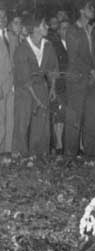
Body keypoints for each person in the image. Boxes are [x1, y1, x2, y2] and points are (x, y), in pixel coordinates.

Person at [12, 16, 58, 156]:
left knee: (42, 123)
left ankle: (39, 154)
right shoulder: (22, 48)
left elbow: (53, 69)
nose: (47, 27)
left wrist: (52, 88)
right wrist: (37, 100)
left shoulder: (48, 45)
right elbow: (25, 79)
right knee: (23, 122)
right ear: (36, 28)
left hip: (41, 87)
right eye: (44, 25)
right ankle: (21, 155)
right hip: (25, 90)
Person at [64, 0, 95, 157]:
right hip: (77, 81)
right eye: (89, 7)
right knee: (74, 120)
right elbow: (74, 57)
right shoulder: (72, 31)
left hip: (93, 82)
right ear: (81, 11)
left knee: (93, 119)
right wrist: (91, 71)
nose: (93, 10)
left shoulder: (92, 31)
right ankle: (70, 155)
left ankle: (93, 155)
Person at [47, 18, 69, 154]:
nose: (66, 31)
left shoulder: (74, 44)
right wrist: (52, 86)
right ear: (59, 31)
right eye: (64, 28)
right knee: (58, 115)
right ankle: (59, 144)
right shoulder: (54, 45)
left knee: (68, 114)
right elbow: (52, 67)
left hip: (72, 85)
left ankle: (67, 144)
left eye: (68, 28)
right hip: (59, 83)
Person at [0, 7, 18, 155]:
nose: (3, 20)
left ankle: (7, 151)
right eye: (0, 17)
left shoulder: (11, 36)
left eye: (5, 17)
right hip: (0, 84)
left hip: (11, 85)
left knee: (10, 119)